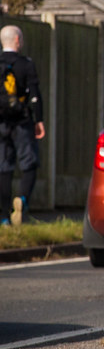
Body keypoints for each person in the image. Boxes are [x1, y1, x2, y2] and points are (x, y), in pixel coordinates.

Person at [0, 25, 45, 227]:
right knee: (29, 163)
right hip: (22, 122)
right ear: (18, 40)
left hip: (1, 123)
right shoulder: (25, 64)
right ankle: (23, 200)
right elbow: (35, 95)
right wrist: (39, 120)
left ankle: (3, 216)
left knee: (4, 168)